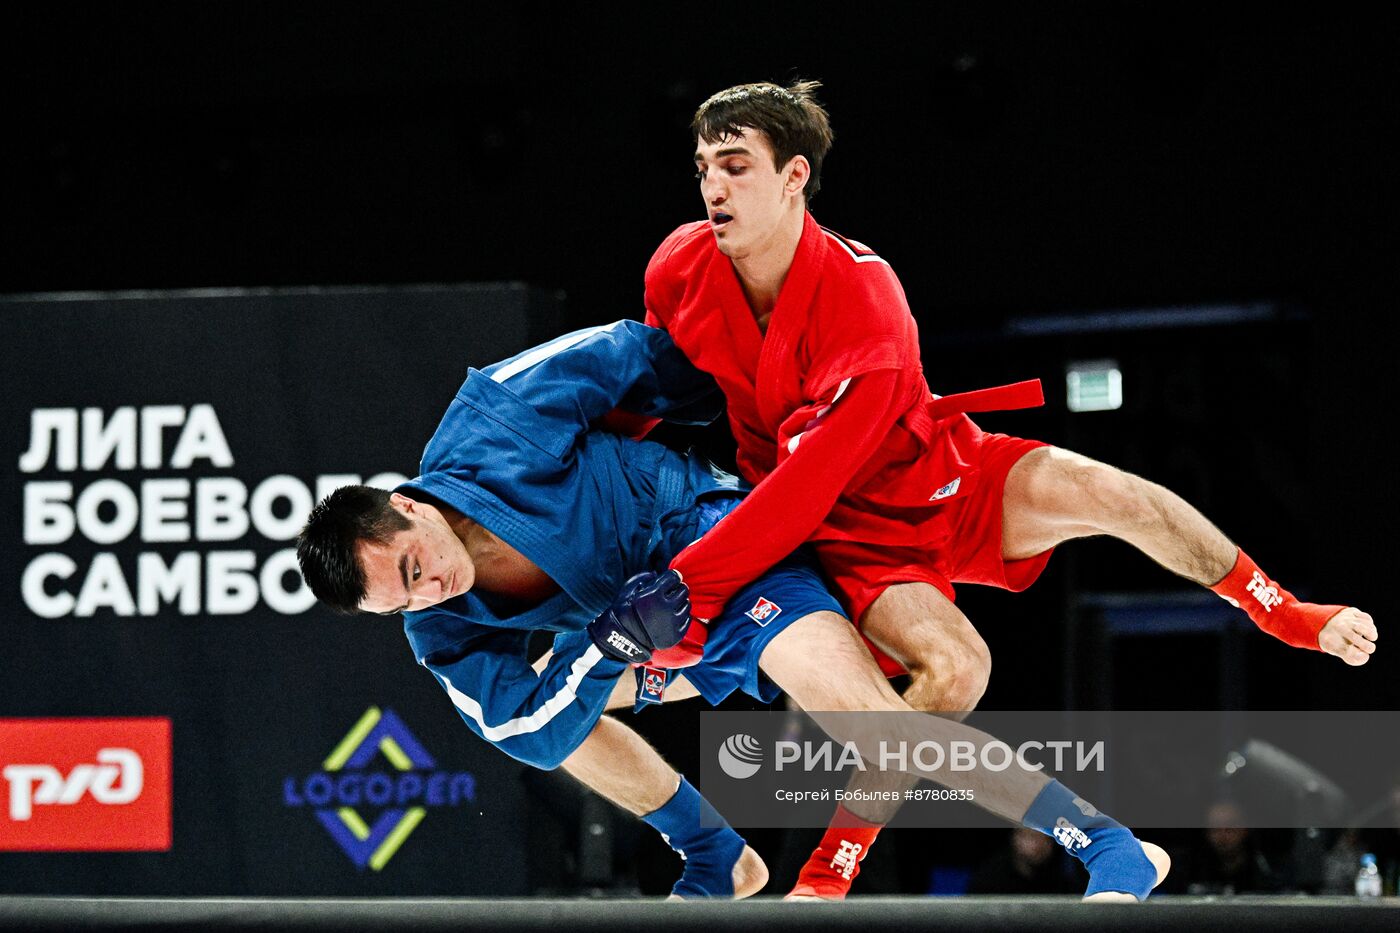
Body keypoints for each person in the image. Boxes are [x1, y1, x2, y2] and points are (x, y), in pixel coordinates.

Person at [640, 79, 1378, 899]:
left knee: (1118, 494)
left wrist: (681, 589)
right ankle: (831, 870)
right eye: (704, 165)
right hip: (850, 536)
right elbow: (653, 394)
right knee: (957, 670)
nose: (713, 186)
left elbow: (796, 494)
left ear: (794, 177)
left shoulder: (865, 301)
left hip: (930, 471)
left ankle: (1279, 609)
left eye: (736, 165)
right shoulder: (678, 267)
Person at [296, 321, 1170, 902]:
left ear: (405, 503)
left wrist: (763, 428)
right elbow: (527, 726)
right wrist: (605, 651)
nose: (427, 590)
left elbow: (642, 351)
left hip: (715, 549)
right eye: (400, 599)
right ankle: (715, 850)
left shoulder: (492, 421)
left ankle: (1103, 841)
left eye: (413, 566)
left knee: (868, 721)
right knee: (551, 716)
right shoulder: (436, 625)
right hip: (639, 634)